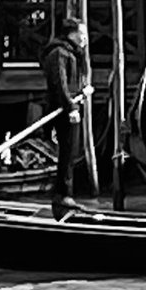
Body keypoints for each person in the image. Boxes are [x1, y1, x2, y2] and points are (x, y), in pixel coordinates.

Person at [41, 13, 93, 219]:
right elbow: (59, 85)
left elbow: (70, 83)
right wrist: (71, 107)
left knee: (71, 152)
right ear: (71, 34)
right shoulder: (59, 54)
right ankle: (62, 195)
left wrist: (82, 91)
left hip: (70, 105)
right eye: (82, 34)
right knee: (67, 152)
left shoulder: (73, 53)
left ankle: (65, 194)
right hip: (62, 108)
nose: (85, 39)